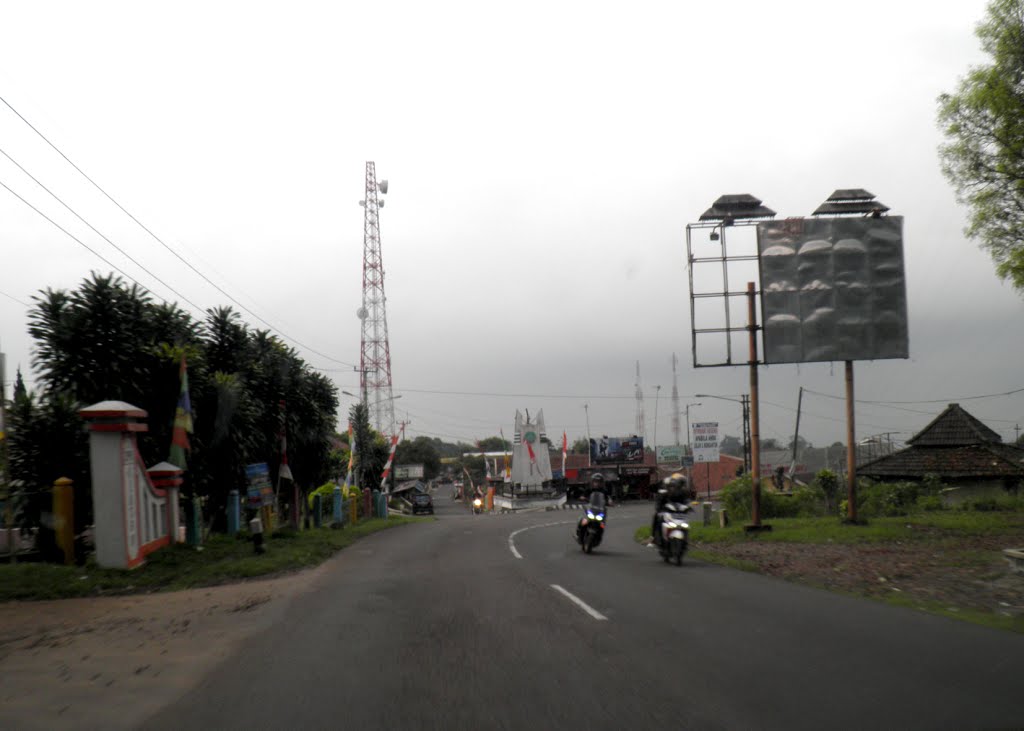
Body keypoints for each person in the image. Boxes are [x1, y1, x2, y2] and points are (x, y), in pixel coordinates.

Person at [652, 473, 689, 546]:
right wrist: (660, 509)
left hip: (677, 512)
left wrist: (687, 507)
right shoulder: (664, 492)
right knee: (658, 518)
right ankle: (655, 537)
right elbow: (660, 501)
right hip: (666, 511)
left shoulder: (682, 492)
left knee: (685, 523)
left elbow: (685, 501)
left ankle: (685, 539)